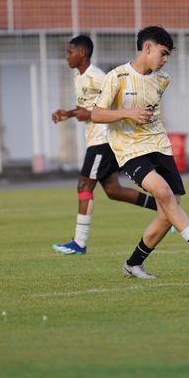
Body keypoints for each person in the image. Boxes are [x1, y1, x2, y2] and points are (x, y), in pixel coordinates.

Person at [92, 26, 189, 279]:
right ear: (147, 47)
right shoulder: (117, 77)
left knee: (168, 212)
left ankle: (133, 264)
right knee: (162, 192)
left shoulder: (163, 80)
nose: (166, 60)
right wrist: (128, 113)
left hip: (159, 145)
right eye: (163, 53)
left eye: (168, 55)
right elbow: (96, 114)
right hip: (129, 149)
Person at [51, 35, 158, 255]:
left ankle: (79, 243)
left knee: (84, 185)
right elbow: (88, 108)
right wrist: (69, 113)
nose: (67, 57)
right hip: (95, 139)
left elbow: (117, 98)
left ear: (82, 53)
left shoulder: (98, 76)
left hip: (103, 140)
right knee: (113, 190)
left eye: (69, 52)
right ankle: (164, 208)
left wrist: (95, 114)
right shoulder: (78, 78)